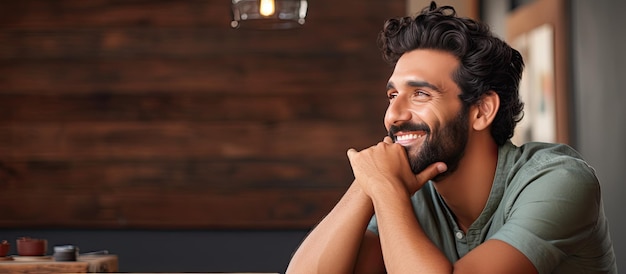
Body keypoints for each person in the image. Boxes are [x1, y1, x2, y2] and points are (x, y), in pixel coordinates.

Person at [285, 1, 617, 273]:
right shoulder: (412, 194)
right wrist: (367, 182)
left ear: (481, 111)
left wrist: (385, 188)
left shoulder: (559, 180)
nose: (393, 115)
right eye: (392, 96)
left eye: (420, 94)